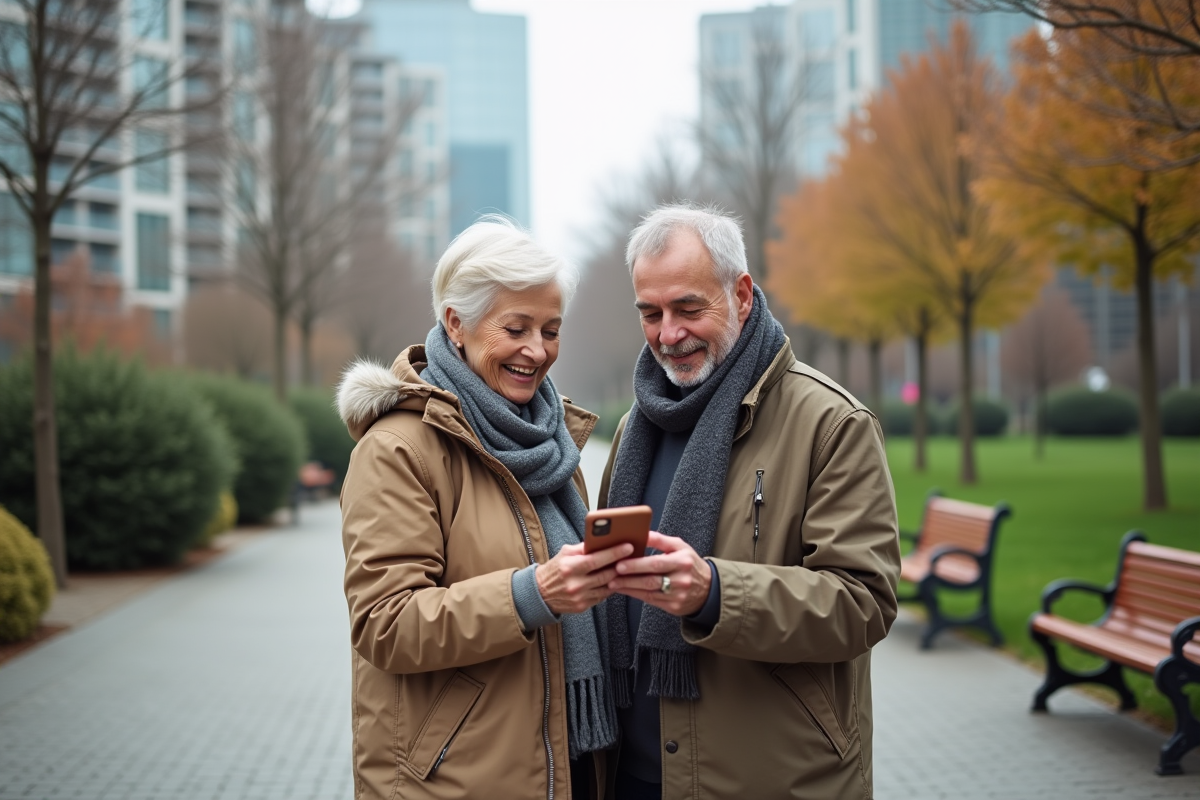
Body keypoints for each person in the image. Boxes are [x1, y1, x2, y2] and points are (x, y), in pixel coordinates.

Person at [598, 204, 901, 799]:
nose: (668, 333)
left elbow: (865, 601)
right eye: (650, 313)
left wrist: (714, 593)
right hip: (629, 775)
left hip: (768, 778)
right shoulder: (637, 426)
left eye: (688, 308)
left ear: (740, 294)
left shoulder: (831, 422)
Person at [337, 217, 626, 800]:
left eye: (551, 329)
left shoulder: (551, 441)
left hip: (571, 763)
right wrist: (534, 595)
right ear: (456, 324)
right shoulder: (398, 448)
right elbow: (384, 623)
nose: (537, 350)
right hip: (456, 779)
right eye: (515, 328)